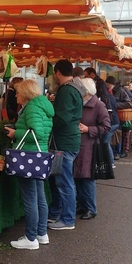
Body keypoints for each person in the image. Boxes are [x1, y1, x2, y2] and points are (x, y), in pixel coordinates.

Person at [5, 80, 54, 250]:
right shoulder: (42, 105)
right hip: (39, 157)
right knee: (40, 197)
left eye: (18, 92)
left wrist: (14, 133)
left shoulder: (32, 107)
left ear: (25, 93)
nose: (16, 95)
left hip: (28, 157)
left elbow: (36, 133)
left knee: (30, 198)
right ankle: (41, 234)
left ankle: (31, 238)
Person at [47, 59, 83, 231]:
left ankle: (68, 219)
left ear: (58, 72)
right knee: (60, 181)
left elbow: (63, 118)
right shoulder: (74, 89)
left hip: (64, 143)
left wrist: (48, 121)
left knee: (64, 183)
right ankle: (58, 213)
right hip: (68, 141)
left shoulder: (67, 91)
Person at [74, 78, 110, 221]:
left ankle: (91, 208)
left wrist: (89, 129)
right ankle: (82, 205)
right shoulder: (80, 103)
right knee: (78, 176)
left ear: (86, 91)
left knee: (87, 178)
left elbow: (106, 127)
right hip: (79, 144)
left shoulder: (99, 105)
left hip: (90, 146)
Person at [108, 76, 132, 158]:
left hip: (119, 116)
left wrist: (115, 105)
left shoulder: (121, 91)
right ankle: (114, 152)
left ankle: (117, 152)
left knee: (118, 135)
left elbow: (128, 103)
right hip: (112, 116)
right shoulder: (108, 91)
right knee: (115, 135)